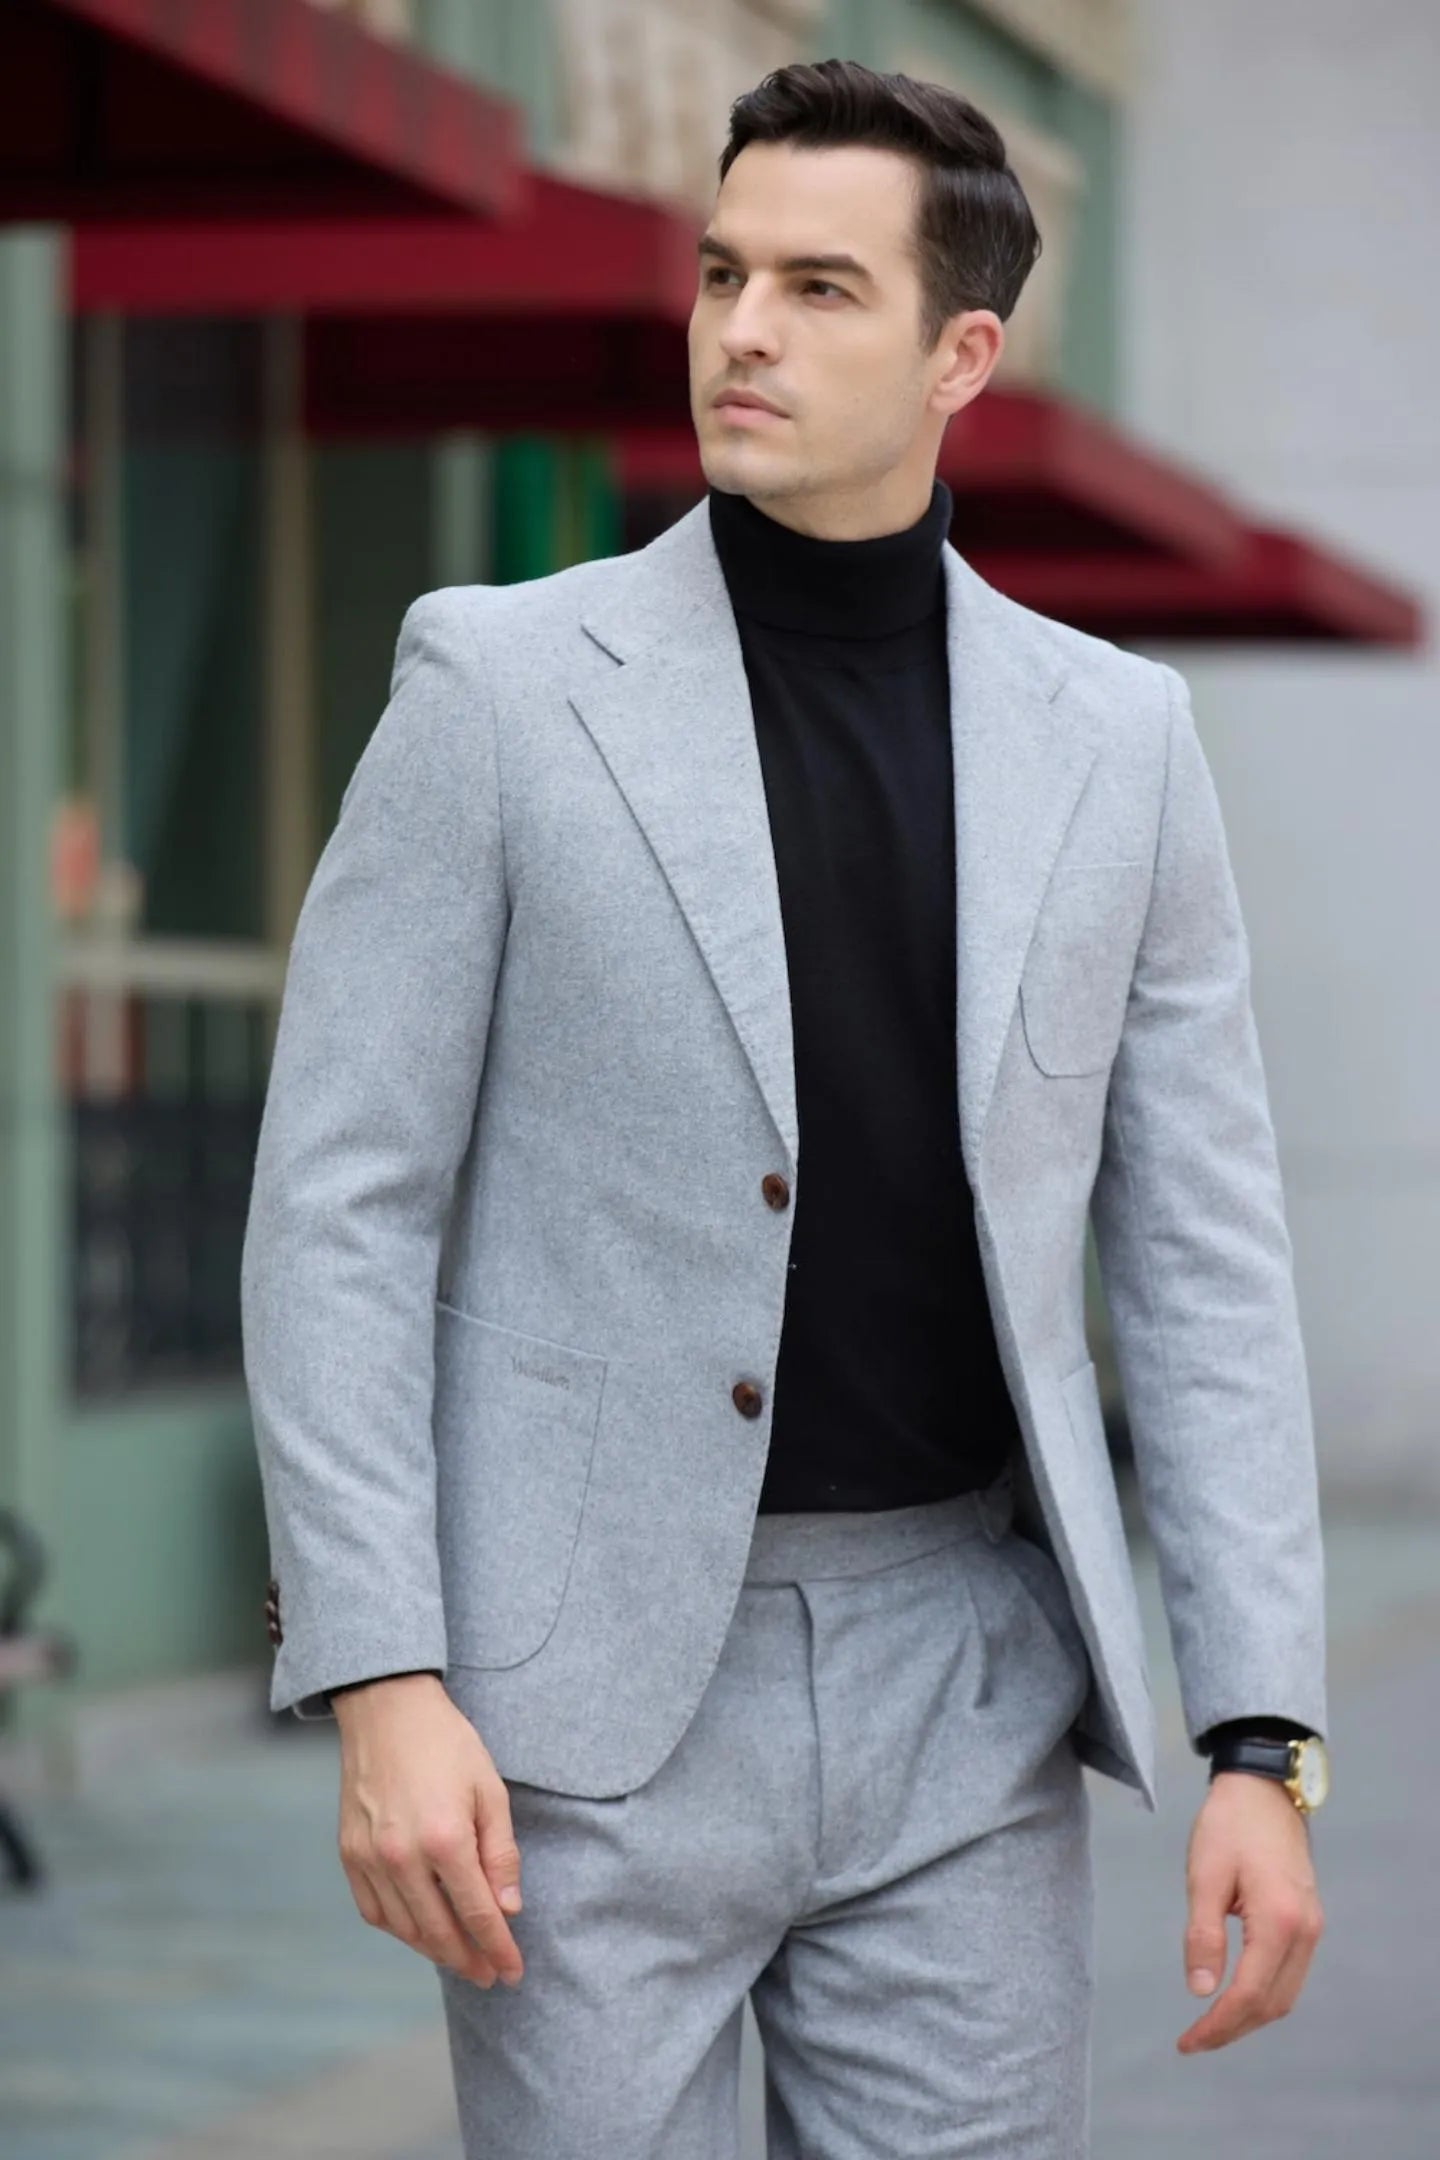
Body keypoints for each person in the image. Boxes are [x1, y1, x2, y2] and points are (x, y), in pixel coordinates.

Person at [241, 56, 1328, 2159]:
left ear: (962, 354)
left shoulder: (1121, 743)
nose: (743, 329)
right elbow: (336, 1207)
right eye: (724, 269)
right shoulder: (497, 688)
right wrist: (383, 1679)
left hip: (969, 1680)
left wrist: (1260, 1740)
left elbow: (1202, 1255)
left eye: (823, 287)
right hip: (582, 1701)